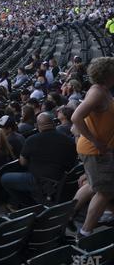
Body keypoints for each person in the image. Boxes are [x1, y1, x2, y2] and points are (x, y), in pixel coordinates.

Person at [72, 57, 114, 237]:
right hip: (95, 150)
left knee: (92, 185)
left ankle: (68, 215)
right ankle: (85, 232)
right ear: (108, 74)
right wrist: (95, 140)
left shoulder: (102, 90)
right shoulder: (97, 92)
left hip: (96, 150)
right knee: (105, 192)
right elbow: (76, 118)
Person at [1, 113, 77, 208]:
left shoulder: (31, 140)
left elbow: (23, 162)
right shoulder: (68, 139)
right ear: (53, 123)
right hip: (64, 180)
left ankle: (29, 205)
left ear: (37, 126)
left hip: (42, 182)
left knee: (5, 178)